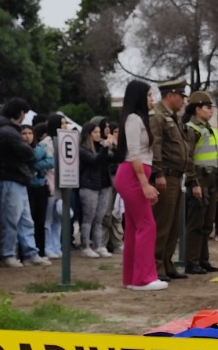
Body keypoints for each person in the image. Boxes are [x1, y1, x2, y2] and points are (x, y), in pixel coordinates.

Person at [113, 80, 165, 290]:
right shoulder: (134, 119)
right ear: (140, 97)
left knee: (136, 227)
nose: (152, 100)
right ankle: (144, 278)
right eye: (149, 95)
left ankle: (133, 278)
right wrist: (145, 185)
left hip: (135, 174)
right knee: (147, 225)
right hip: (133, 175)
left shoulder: (136, 119)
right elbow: (134, 154)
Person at [0, 98, 45, 267]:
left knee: (24, 219)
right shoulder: (8, 131)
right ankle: (9, 253)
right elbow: (27, 152)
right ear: (20, 113)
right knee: (11, 219)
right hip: (11, 178)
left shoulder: (5, 129)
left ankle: (28, 252)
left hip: (15, 178)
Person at [149, 80, 189, 279]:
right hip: (166, 175)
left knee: (174, 225)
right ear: (171, 95)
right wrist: (158, 173)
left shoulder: (172, 117)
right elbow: (155, 145)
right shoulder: (157, 116)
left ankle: (166, 261)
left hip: (176, 176)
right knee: (162, 223)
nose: (183, 101)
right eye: (181, 96)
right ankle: (156, 265)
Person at [183, 90, 218, 274]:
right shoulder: (192, 130)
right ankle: (192, 261)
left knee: (207, 223)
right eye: (208, 107)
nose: (211, 111)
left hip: (212, 179)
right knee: (196, 222)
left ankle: (203, 259)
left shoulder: (210, 130)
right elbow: (188, 159)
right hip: (199, 179)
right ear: (197, 109)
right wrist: (194, 182)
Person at [77, 118, 113, 257]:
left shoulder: (100, 146)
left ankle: (98, 245)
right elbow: (94, 160)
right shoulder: (83, 149)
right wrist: (104, 148)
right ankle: (85, 245)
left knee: (99, 218)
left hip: (103, 185)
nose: (99, 134)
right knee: (88, 218)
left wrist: (110, 146)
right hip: (89, 185)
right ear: (88, 134)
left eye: (99, 132)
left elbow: (113, 157)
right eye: (96, 132)